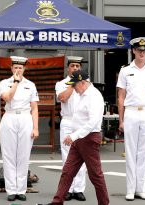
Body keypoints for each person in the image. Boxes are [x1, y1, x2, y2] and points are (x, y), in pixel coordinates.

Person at [37, 70, 109, 205]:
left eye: (74, 85)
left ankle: (104, 203)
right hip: (79, 139)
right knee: (67, 172)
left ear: (82, 83)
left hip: (88, 139)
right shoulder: (83, 93)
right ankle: (57, 202)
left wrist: (74, 135)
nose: (74, 89)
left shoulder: (94, 96)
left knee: (95, 176)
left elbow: (93, 122)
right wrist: (75, 136)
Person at [116, 37, 145, 201]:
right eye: (139, 50)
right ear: (133, 51)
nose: (142, 53)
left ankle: (140, 188)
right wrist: (121, 120)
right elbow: (121, 97)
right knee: (131, 152)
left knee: (143, 153)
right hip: (132, 112)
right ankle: (130, 189)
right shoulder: (125, 70)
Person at [0, 56, 39, 201]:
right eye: (15, 68)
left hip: (25, 118)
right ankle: (11, 190)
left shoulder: (31, 85)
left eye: (20, 68)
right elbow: (7, 98)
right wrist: (15, 83)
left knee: (23, 155)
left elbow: (34, 108)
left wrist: (36, 128)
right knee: (9, 155)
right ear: (11, 69)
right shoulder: (5, 83)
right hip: (9, 117)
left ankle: (21, 189)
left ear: (24, 69)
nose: (17, 70)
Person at [54, 56, 87, 201]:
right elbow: (62, 98)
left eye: (77, 66)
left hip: (82, 123)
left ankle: (79, 189)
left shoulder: (86, 84)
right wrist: (72, 84)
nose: (75, 68)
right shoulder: (61, 83)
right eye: (72, 65)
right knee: (67, 157)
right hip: (67, 121)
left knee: (82, 156)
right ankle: (68, 188)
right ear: (68, 68)